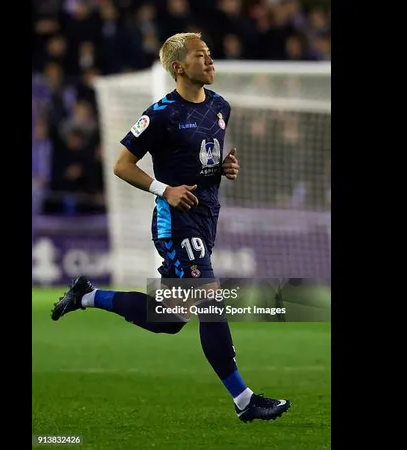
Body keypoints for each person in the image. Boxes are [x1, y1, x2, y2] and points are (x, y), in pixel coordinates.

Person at [50, 32, 291, 423]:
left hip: (206, 217)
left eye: (210, 54)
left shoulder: (220, 106)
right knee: (212, 302)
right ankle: (245, 401)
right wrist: (165, 190)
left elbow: (205, 161)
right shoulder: (161, 114)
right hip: (175, 223)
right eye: (201, 56)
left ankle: (86, 296)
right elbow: (121, 165)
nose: (210, 61)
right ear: (179, 68)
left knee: (169, 318)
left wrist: (224, 168)